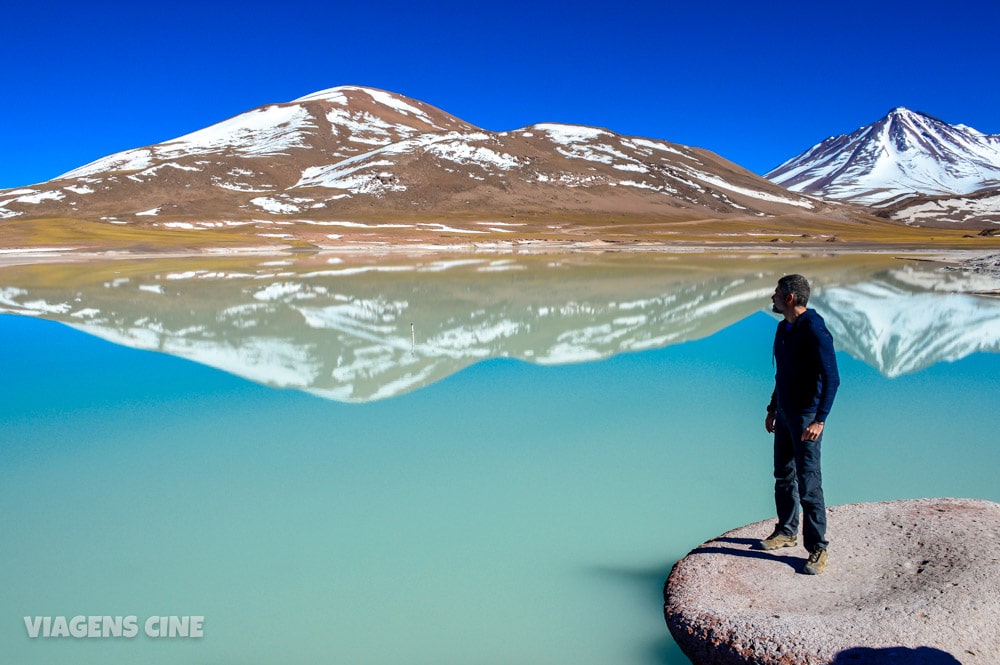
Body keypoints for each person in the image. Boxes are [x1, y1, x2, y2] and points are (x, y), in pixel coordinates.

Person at [759, 274, 840, 575]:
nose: (773, 297)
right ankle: (786, 531)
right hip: (785, 413)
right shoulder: (784, 329)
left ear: (790, 298)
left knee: (809, 483)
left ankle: (818, 548)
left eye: (777, 292)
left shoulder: (815, 331)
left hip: (807, 417)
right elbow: (782, 375)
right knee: (783, 475)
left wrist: (820, 419)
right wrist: (772, 408)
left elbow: (832, 378)